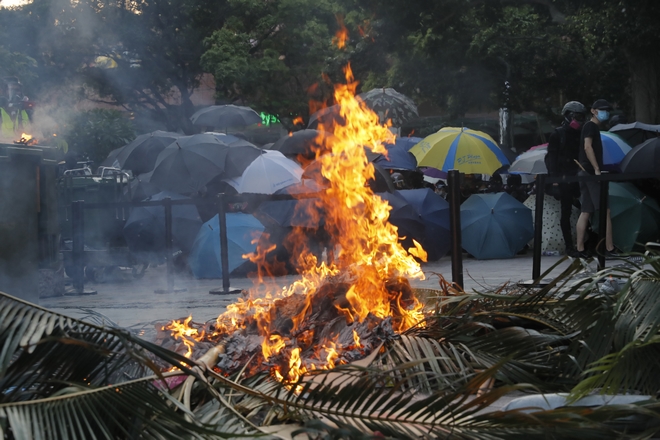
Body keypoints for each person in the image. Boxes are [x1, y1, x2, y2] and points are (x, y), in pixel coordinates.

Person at [574, 99, 617, 259]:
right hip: (590, 172)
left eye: (607, 109)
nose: (605, 112)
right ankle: (609, 248)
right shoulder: (591, 126)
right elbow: (587, 146)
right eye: (602, 109)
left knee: (586, 211)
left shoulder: (590, 127)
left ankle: (580, 249)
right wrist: (597, 168)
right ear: (593, 110)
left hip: (583, 171)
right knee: (605, 210)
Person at [544, 101, 586, 256]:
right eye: (576, 116)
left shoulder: (581, 133)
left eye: (581, 116)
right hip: (564, 178)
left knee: (586, 210)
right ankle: (569, 246)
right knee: (566, 212)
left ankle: (583, 243)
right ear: (567, 115)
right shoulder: (558, 134)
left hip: (580, 177)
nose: (579, 120)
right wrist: (555, 181)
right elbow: (552, 159)